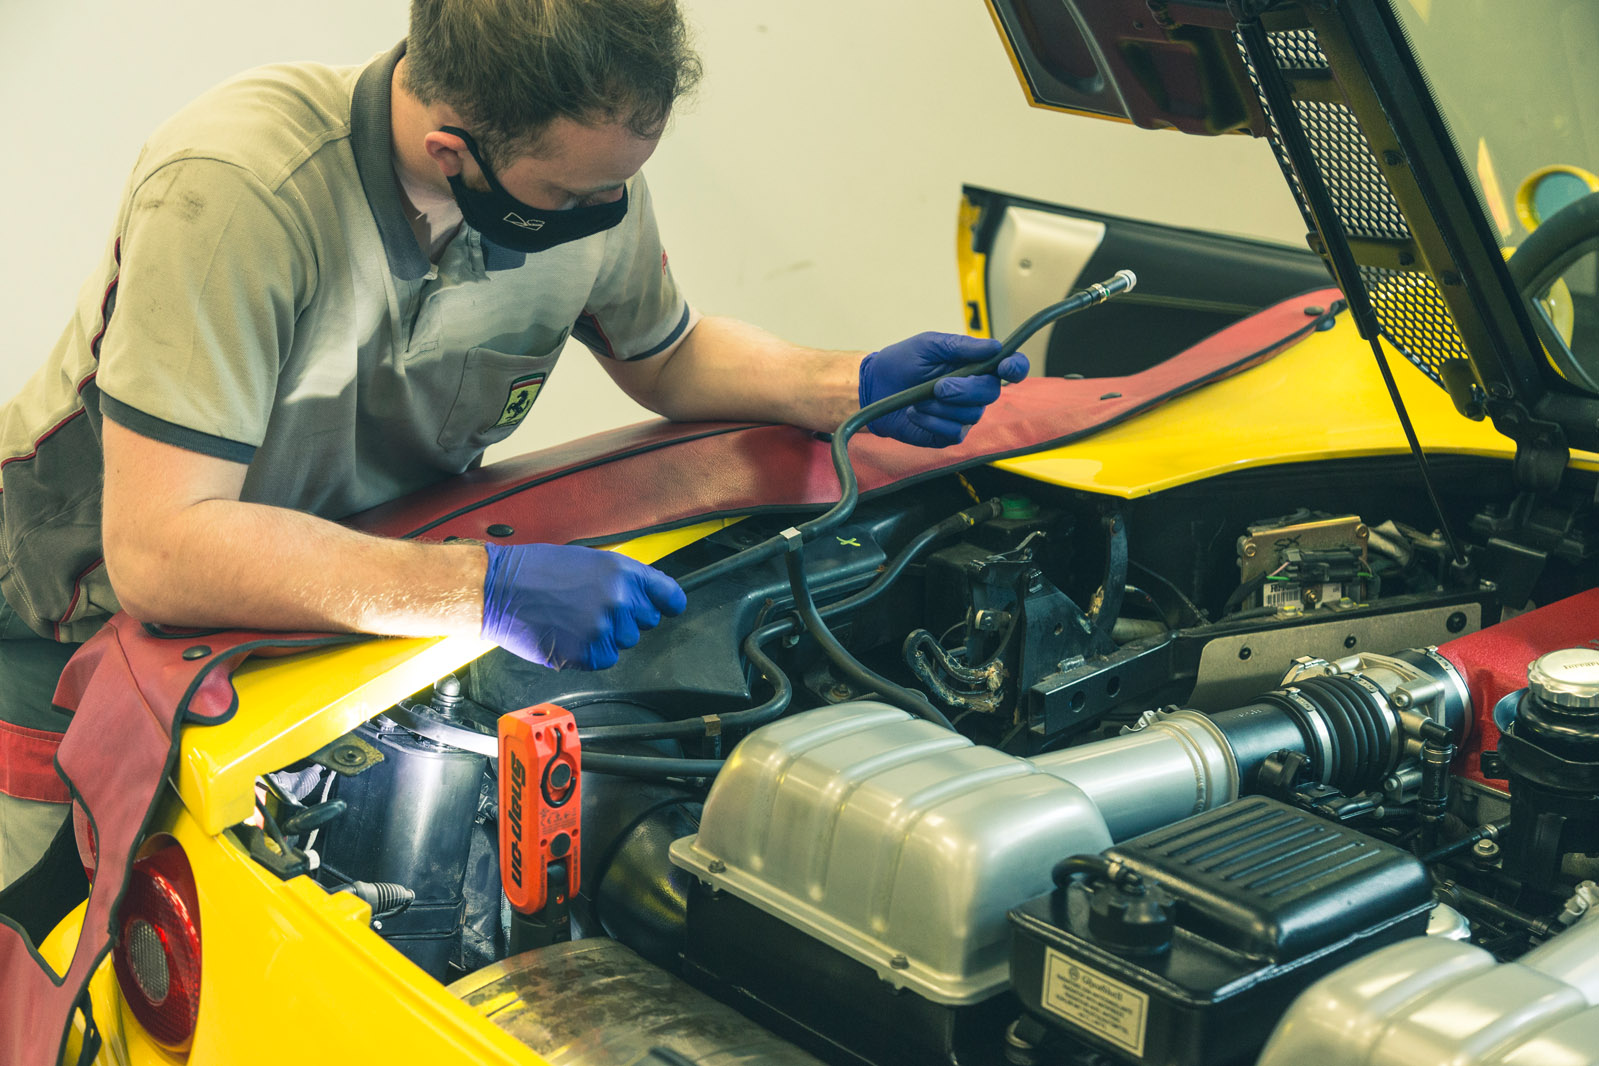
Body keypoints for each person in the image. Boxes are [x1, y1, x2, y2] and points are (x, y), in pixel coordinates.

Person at [0, 0, 1026, 887]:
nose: (600, 216)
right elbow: (162, 552)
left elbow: (663, 355)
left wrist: (850, 384)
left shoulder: (583, 174)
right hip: (64, 634)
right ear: (456, 153)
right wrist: (483, 590)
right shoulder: (237, 191)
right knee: (58, 950)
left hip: (327, 602)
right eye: (574, 199)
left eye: (616, 190)